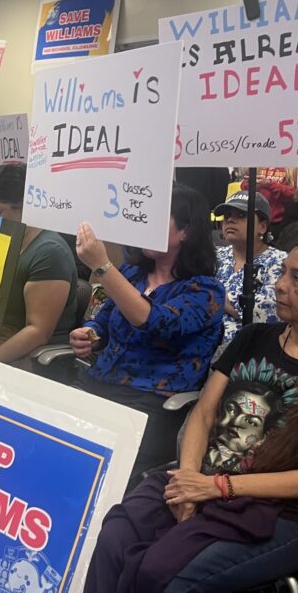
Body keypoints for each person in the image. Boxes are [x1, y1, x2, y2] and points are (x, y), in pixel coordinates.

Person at [86, 238, 298, 593]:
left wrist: (214, 487)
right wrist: (188, 481)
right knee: (115, 536)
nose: (280, 285)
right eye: (282, 273)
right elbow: (203, 413)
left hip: (288, 511)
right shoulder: (254, 337)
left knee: (167, 576)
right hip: (203, 476)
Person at [71, 184, 226, 471]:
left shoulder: (206, 292)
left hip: (151, 404)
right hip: (99, 383)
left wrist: (103, 266)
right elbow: (103, 322)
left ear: (186, 232)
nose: (144, 226)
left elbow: (155, 323)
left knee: (87, 466)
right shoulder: (131, 273)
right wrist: (90, 334)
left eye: (155, 219)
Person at [0, 163, 78, 369]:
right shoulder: (5, 242)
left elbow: (37, 332)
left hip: (25, 359)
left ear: (22, 204)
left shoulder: (49, 252)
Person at [214, 191, 287, 357]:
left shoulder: (281, 261)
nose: (230, 220)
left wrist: (217, 299)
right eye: (226, 216)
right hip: (203, 342)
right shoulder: (213, 255)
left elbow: (270, 313)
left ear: (262, 226)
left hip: (249, 350)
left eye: (241, 215)